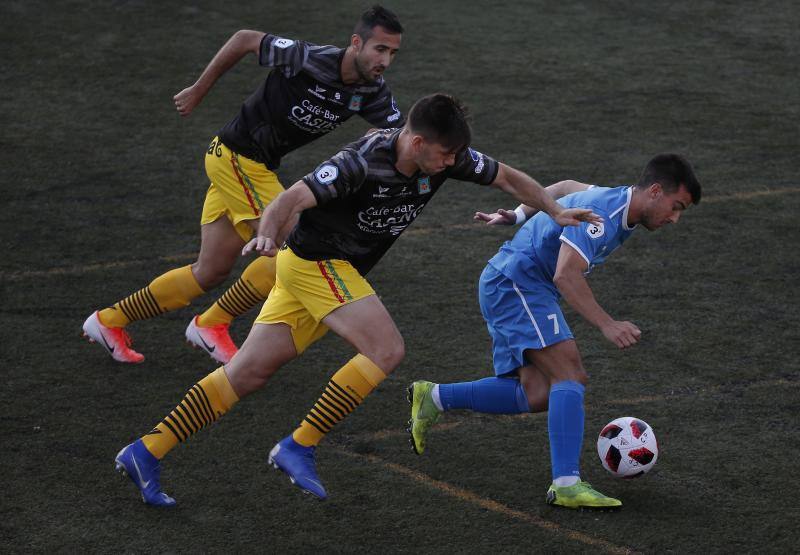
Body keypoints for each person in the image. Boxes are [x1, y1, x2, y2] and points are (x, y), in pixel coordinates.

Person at [112, 93, 602, 506]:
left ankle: (147, 451)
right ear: (417, 143)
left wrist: (554, 209)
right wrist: (266, 234)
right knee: (387, 349)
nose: (452, 164)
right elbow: (290, 200)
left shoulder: (443, 158)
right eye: (445, 156)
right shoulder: (360, 162)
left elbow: (508, 177)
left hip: (317, 273)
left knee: (247, 373)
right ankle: (299, 444)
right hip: (316, 265)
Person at [82, 5, 405, 364]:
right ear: (357, 42)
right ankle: (213, 322)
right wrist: (198, 89)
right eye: (380, 49)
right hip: (237, 158)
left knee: (210, 270)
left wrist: (368, 153)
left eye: (392, 53)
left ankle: (108, 321)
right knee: (300, 248)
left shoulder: (373, 91)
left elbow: (395, 135)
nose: (385, 61)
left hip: (252, 167)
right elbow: (246, 39)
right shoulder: (307, 58)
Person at [408, 153, 702, 509]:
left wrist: (517, 214)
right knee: (570, 375)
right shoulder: (604, 218)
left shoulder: (614, 198)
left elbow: (562, 188)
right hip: (516, 283)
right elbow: (566, 275)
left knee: (536, 394)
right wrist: (607, 324)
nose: (675, 218)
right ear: (655, 191)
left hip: (514, 281)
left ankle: (434, 397)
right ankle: (566, 484)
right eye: (676, 206)